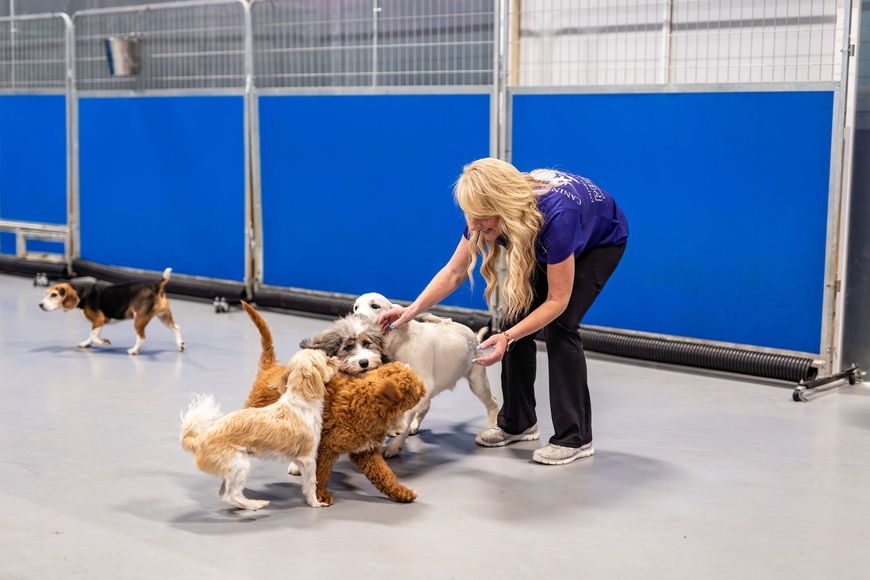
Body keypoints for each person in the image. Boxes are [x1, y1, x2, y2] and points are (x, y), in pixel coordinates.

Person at [378, 158, 628, 465]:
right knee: (515, 315)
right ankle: (518, 422)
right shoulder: (483, 213)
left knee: (561, 326)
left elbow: (557, 300)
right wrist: (411, 310)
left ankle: (575, 438)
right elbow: (455, 272)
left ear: (503, 205)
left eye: (483, 219)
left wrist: (507, 338)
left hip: (600, 241)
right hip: (537, 229)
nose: (476, 226)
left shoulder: (558, 217)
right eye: (472, 218)